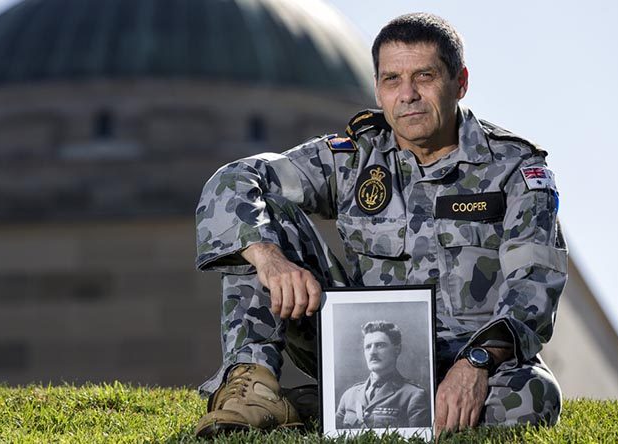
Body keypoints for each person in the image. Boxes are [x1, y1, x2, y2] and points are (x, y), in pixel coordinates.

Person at [193, 12, 567, 438]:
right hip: (357, 348)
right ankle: (253, 388)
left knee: (532, 397)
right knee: (258, 223)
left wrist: (476, 365)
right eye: (392, 80)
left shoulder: (516, 169)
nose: (407, 95)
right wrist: (270, 259)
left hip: (470, 355)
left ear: (459, 82)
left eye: (424, 76)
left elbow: (534, 283)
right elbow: (236, 179)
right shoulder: (353, 157)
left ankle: (322, 410)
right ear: (378, 88)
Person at [336, 321, 429, 429]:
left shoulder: (413, 395)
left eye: (380, 345)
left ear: (397, 349)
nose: (372, 352)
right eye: (368, 347)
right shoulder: (349, 396)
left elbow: (419, 439)